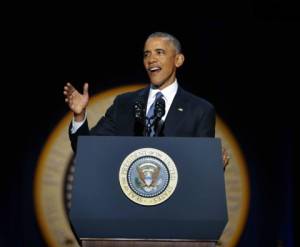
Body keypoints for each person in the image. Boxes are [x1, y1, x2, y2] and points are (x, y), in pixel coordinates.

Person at [63, 32, 229, 167]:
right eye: (146, 54)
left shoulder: (200, 110)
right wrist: (79, 116)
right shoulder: (124, 103)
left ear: (178, 60)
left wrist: (213, 167)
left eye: (160, 52)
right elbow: (86, 150)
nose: (151, 60)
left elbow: (201, 171)